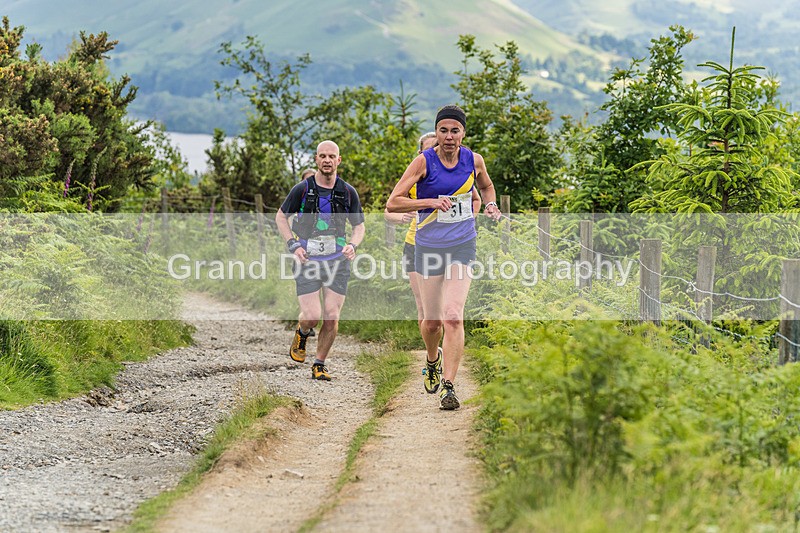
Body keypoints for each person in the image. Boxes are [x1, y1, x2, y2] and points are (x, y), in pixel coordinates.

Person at [386, 105, 501, 409]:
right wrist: (430, 202)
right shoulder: (423, 162)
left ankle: (449, 386)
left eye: (455, 130)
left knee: (453, 314)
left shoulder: (473, 160)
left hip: (463, 245)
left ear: (463, 132)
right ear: (436, 133)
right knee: (432, 321)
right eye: (443, 130)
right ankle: (432, 358)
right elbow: (394, 202)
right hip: (428, 247)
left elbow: (486, 186)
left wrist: (490, 205)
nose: (449, 137)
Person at [275, 140, 365, 381]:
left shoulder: (347, 192)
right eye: (322, 156)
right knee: (312, 316)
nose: (327, 160)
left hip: (337, 260)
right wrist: (292, 245)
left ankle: (319, 363)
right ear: (316, 159)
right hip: (307, 259)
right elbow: (281, 217)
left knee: (332, 315)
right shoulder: (302, 189)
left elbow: (359, 226)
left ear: (338, 160)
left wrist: (353, 245)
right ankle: (302, 332)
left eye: (331, 156)